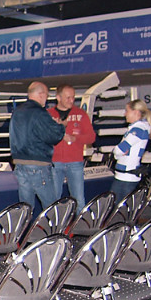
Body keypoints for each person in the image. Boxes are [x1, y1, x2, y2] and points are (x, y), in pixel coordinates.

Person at [9, 81, 66, 212]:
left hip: (19, 163)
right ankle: (53, 226)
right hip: (38, 163)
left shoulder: (17, 112)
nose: (47, 98)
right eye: (47, 95)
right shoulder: (40, 113)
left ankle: (23, 225)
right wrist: (61, 126)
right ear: (41, 94)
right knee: (51, 208)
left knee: (26, 208)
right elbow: (53, 136)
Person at [48, 84, 96, 213]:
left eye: (73, 97)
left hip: (75, 162)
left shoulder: (80, 114)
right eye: (68, 97)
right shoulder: (48, 115)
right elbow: (40, 137)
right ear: (58, 97)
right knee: (53, 200)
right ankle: (55, 223)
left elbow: (91, 137)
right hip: (54, 162)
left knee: (79, 199)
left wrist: (76, 138)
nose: (71, 100)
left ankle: (79, 223)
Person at [110, 99, 151, 202]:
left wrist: (117, 152)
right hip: (124, 176)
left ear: (136, 112)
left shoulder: (139, 130)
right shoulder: (135, 129)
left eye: (127, 111)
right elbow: (120, 152)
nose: (125, 114)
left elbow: (119, 150)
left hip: (127, 178)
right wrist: (118, 153)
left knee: (119, 207)